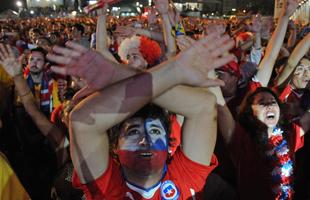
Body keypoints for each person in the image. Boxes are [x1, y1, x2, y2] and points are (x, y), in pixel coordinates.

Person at [47, 30, 234, 199]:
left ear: (170, 141)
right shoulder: (106, 188)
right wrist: (174, 71)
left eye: (154, 131)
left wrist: (120, 75)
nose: (146, 141)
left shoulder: (184, 176)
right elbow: (82, 121)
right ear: (114, 147)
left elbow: (204, 106)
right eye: (133, 132)